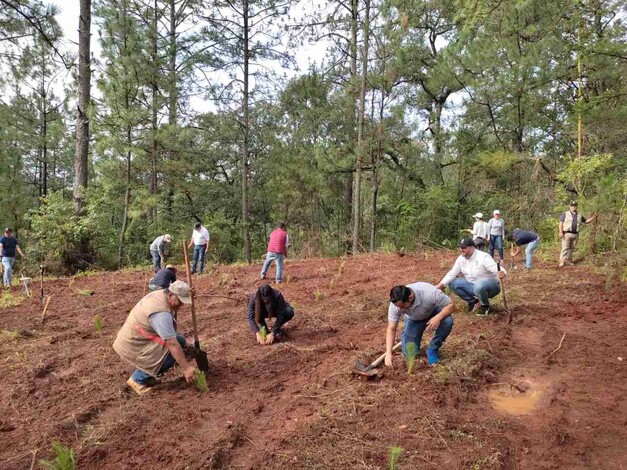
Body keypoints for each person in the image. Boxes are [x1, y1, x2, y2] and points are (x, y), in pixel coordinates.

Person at [113, 280, 198, 395]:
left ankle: (147, 376)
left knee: (180, 341)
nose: (181, 305)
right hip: (135, 343)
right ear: (171, 294)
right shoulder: (161, 314)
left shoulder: (162, 293)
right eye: (180, 301)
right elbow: (172, 344)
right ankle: (137, 380)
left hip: (139, 334)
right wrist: (186, 368)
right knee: (171, 354)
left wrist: (188, 295)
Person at [385, 283, 456, 367]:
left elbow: (452, 305)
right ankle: (407, 335)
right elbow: (391, 329)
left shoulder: (430, 293)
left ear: (410, 297)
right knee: (410, 354)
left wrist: (438, 317)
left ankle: (432, 349)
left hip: (432, 311)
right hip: (414, 319)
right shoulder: (396, 305)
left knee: (447, 321)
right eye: (398, 306)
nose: (400, 309)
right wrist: (388, 353)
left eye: (403, 306)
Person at [435, 238, 506, 315]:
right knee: (452, 283)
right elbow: (452, 273)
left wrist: (502, 273)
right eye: (460, 247)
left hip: (491, 286)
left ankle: (485, 306)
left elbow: (495, 268)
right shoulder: (461, 259)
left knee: (479, 285)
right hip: (473, 285)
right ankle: (473, 302)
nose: (461, 250)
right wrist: (440, 285)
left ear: (472, 247)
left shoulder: (483, 257)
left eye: (464, 248)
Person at [558, 201, 598, 267]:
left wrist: (594, 217)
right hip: (566, 233)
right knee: (565, 248)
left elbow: (586, 221)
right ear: (569, 206)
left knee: (572, 248)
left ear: (576, 206)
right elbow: (561, 223)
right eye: (572, 205)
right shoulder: (565, 214)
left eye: (575, 205)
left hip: (575, 234)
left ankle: (568, 261)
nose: (573, 207)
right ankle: (562, 261)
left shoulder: (579, 215)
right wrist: (560, 232)